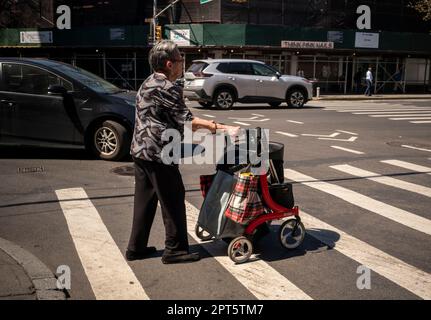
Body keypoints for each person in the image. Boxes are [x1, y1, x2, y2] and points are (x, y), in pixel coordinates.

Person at [126, 40, 239, 264]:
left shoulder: (148, 82)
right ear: (169, 64)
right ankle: (175, 250)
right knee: (173, 199)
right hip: (159, 153)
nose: (182, 64)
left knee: (145, 202)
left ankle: (136, 248)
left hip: (140, 151)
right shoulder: (168, 88)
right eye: (180, 60)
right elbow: (190, 122)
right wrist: (224, 128)